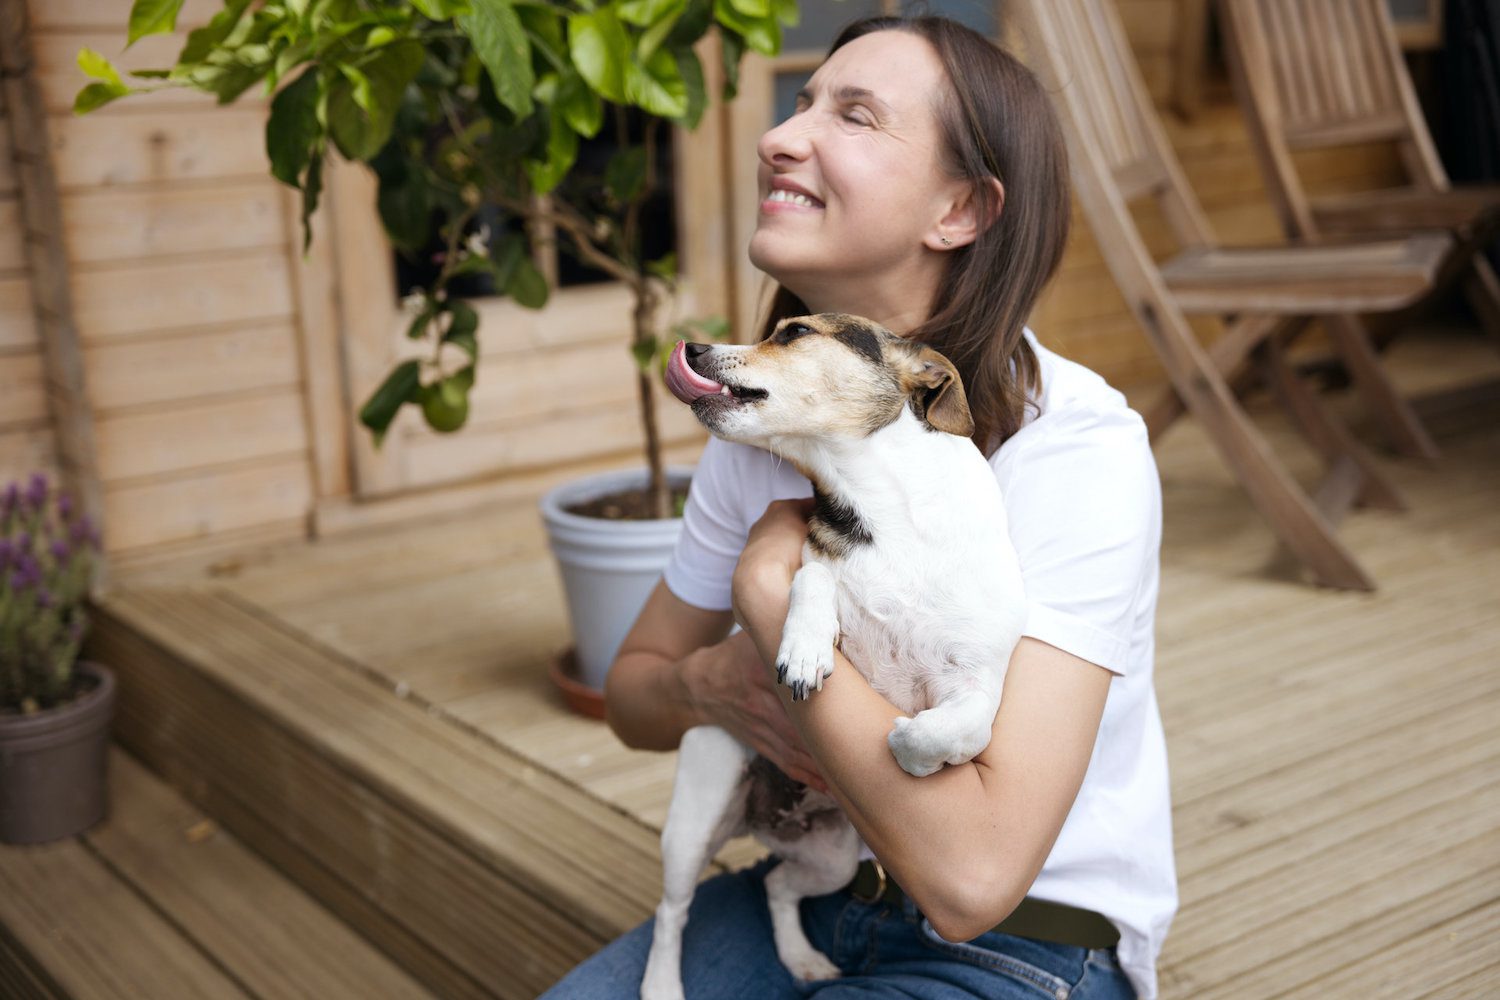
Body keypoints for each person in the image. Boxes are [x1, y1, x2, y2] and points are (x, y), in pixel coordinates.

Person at [541, 14, 1175, 1000]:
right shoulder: (769, 420)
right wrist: (710, 688)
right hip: (817, 886)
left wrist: (764, 591)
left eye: (855, 114)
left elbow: (973, 876)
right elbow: (633, 692)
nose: (778, 137)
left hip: (1026, 943)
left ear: (961, 208)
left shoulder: (1077, 448)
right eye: (799, 104)